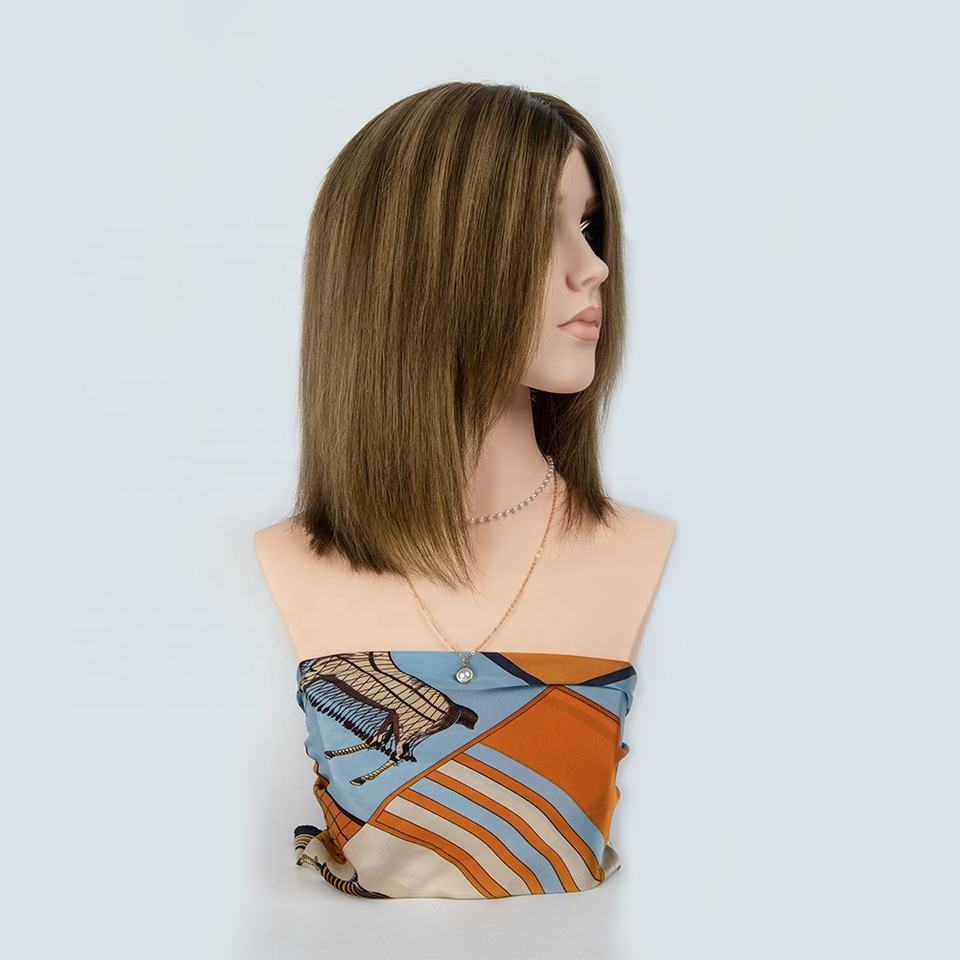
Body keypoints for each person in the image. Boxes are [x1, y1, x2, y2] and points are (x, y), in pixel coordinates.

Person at [254, 81, 676, 899]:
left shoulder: (647, 552)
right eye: (544, 229)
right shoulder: (278, 562)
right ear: (417, 262)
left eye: (589, 227)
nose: (594, 268)